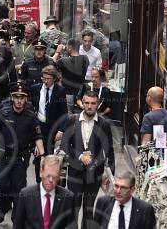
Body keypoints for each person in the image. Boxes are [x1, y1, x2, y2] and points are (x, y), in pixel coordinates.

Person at [0, 83, 45, 223]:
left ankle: (16, 218)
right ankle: (2, 208)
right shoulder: (3, 112)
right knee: (2, 184)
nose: (19, 100)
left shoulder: (31, 116)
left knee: (18, 188)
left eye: (22, 98)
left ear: (26, 100)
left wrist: (42, 156)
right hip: (2, 155)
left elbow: (38, 136)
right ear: (12, 98)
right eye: (16, 97)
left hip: (20, 156)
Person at [61, 90, 115, 229]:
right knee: (74, 208)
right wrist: (79, 156)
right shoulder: (72, 120)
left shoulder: (104, 124)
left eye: (93, 103)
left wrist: (111, 175)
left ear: (98, 104)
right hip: (74, 173)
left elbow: (108, 150)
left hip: (95, 173)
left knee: (89, 210)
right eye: (86, 103)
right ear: (82, 103)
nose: (90, 106)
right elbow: (65, 145)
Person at [12, 155, 76, 229]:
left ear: (59, 176)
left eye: (54, 177)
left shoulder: (67, 198)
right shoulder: (25, 195)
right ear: (41, 172)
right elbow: (18, 225)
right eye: (48, 176)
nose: (51, 180)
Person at [31, 65, 68, 182]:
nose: (45, 81)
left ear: (54, 79)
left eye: (48, 79)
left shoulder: (60, 91)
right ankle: (39, 181)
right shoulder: (35, 89)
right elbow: (31, 109)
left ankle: (49, 179)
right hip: (39, 127)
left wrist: (61, 130)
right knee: (38, 155)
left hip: (52, 128)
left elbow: (64, 113)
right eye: (44, 78)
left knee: (49, 156)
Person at [56, 38, 89, 112]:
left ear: (70, 47)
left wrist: (58, 52)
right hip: (80, 93)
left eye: (67, 46)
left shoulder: (64, 61)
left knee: (68, 116)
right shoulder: (85, 59)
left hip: (68, 94)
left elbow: (52, 63)